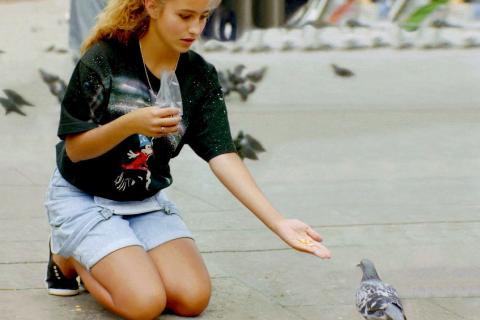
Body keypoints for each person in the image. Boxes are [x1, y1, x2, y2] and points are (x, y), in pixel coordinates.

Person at [44, 0, 332, 319]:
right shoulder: (104, 59)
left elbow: (222, 153)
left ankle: (123, 252)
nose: (195, 29)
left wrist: (278, 222)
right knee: (144, 303)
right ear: (152, 7)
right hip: (86, 196)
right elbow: (75, 149)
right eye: (184, 16)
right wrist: (131, 123)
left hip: (144, 199)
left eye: (203, 17)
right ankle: (66, 257)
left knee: (192, 299)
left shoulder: (198, 75)